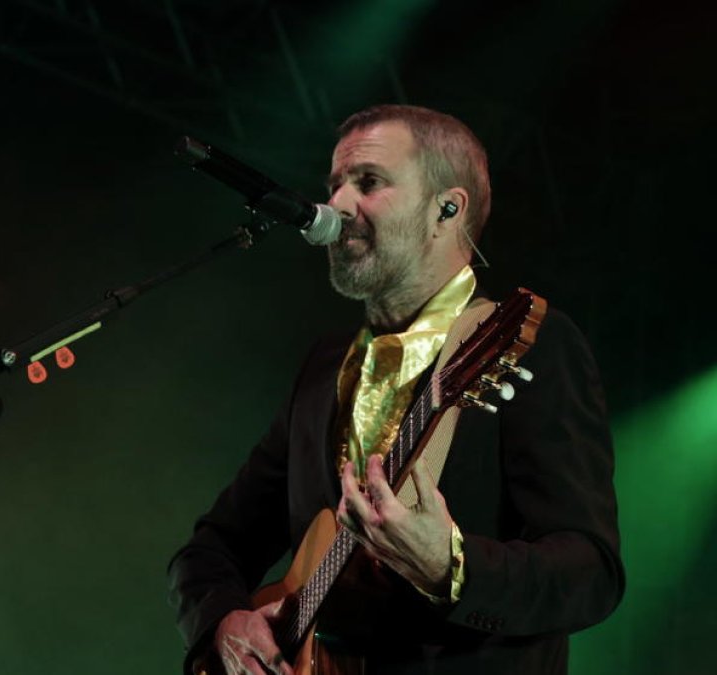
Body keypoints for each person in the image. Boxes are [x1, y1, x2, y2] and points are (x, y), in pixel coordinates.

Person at [168, 104, 623, 675]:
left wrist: (453, 567)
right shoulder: (325, 368)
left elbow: (592, 573)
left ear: (447, 209)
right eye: (334, 185)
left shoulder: (528, 344)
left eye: (368, 182)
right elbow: (210, 549)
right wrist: (225, 622)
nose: (335, 205)